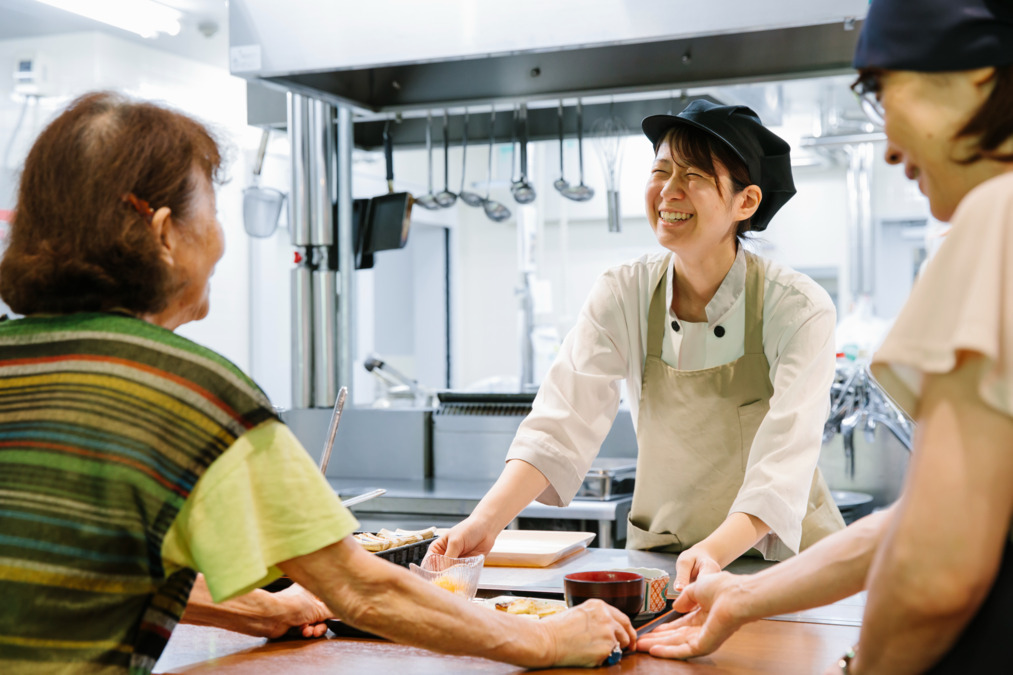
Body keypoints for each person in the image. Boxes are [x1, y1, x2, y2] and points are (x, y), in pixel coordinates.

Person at [0, 91, 635, 674]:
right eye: (212, 208)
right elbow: (362, 588)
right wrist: (548, 638)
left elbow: (91, 571)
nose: (220, 238)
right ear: (165, 232)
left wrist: (264, 611)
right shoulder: (193, 398)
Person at [635, 1, 1013, 672]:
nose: (889, 144)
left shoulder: (998, 215)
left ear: (975, 73)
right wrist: (744, 596)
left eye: (879, 92)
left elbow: (932, 566)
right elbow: (922, 518)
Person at [433, 99, 845, 590]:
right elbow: (562, 421)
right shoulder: (623, 293)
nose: (670, 190)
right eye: (662, 169)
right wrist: (486, 522)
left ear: (746, 202)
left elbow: (786, 457)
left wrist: (714, 550)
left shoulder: (797, 307)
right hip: (669, 560)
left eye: (694, 175)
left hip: (783, 566)